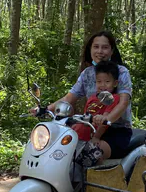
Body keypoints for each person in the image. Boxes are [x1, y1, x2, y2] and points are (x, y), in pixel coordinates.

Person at [48, 31, 134, 159]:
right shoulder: (87, 74)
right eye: (96, 47)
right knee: (59, 150)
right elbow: (68, 98)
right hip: (89, 127)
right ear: (90, 49)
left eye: (105, 47)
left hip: (116, 130)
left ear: (111, 51)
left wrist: (108, 118)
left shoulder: (121, 72)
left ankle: (94, 179)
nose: (100, 51)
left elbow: (123, 102)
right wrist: (45, 109)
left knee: (90, 155)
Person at [73, 61, 121, 153]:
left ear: (115, 83)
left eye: (107, 81)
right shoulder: (92, 98)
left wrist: (96, 137)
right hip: (84, 131)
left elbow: (105, 120)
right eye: (99, 81)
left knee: (91, 156)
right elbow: (85, 116)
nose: (102, 85)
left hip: (97, 134)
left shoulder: (112, 98)